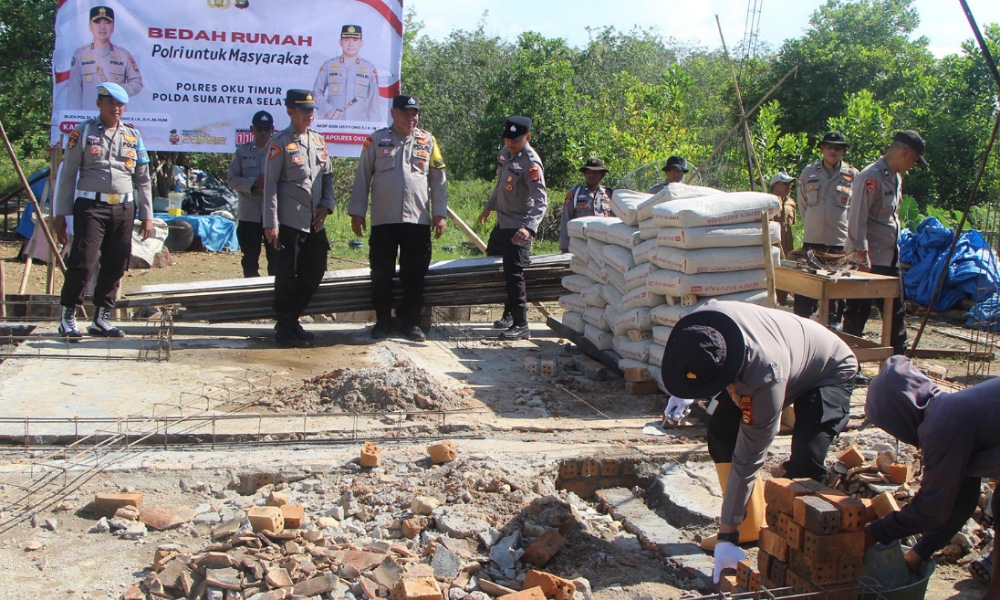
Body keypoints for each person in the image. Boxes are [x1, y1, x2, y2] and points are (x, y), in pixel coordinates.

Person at [660, 299, 858, 583]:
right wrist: (684, 389)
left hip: (828, 369)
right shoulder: (700, 324)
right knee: (720, 434)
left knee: (806, 458)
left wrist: (725, 535)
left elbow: (749, 457)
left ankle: (806, 553)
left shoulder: (764, 377)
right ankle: (749, 527)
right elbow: (696, 355)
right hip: (784, 354)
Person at [863, 355, 999, 600]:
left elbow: (931, 508)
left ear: (897, 413)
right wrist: (919, 553)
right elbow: (963, 501)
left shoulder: (943, 427)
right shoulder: (948, 411)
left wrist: (872, 534)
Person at [54, 82, 154, 339]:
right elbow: (67, 175)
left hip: (123, 207)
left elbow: (143, 179)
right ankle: (68, 316)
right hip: (91, 206)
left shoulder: (133, 136)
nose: (116, 108)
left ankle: (102, 318)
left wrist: (147, 215)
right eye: (110, 102)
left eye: (120, 104)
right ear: (99, 103)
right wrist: (59, 215)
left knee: (116, 262)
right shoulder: (83, 132)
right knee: (84, 261)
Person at [349, 94, 448, 343]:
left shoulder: (428, 141)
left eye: (414, 113)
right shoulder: (376, 140)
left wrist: (440, 214)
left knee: (414, 274)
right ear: (393, 113)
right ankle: (383, 321)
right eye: (405, 113)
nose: (411, 118)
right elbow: (362, 177)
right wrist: (357, 212)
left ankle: (411, 323)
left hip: (417, 220)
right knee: (381, 273)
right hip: (384, 220)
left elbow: (438, 180)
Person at [844, 130, 927, 355]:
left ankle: (898, 363)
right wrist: (860, 256)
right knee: (857, 313)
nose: (912, 165)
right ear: (905, 153)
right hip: (869, 260)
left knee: (896, 314)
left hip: (889, 257)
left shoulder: (896, 177)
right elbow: (857, 217)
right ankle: (849, 364)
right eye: (913, 160)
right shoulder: (871, 176)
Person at [263, 90, 335, 347]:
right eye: (303, 109)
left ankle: (291, 320)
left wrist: (327, 205)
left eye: (311, 109)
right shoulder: (279, 142)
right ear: (290, 111)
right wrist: (270, 223)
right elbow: (270, 185)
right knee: (287, 277)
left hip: (315, 222)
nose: (309, 113)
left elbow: (327, 176)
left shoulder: (318, 140)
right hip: (289, 222)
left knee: (315, 272)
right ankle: (285, 328)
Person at [477, 116, 548, 340]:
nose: (510, 143)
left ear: (528, 137)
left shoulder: (531, 163)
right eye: (508, 139)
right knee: (494, 261)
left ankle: (521, 323)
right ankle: (508, 314)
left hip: (519, 225)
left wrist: (529, 228)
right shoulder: (505, 152)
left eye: (515, 140)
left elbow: (541, 201)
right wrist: (489, 207)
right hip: (502, 222)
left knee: (514, 273)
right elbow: (500, 185)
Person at [793, 131, 858, 329]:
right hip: (813, 240)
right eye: (829, 147)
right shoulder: (809, 172)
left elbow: (855, 207)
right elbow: (803, 203)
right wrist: (814, 223)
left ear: (843, 151)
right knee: (806, 285)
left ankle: (833, 325)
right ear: (822, 148)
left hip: (838, 242)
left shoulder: (852, 174)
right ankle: (802, 324)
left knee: (836, 290)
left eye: (837, 148)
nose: (833, 151)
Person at [227, 110, 276, 278]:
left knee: (276, 258)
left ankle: (275, 295)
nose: (264, 133)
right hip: (249, 214)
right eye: (260, 128)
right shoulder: (242, 152)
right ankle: (252, 293)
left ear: (272, 130)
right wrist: (253, 183)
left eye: (267, 129)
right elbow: (232, 179)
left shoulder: (280, 152)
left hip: (274, 214)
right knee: (249, 258)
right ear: (252, 130)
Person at [66, 6, 143, 110]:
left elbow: (137, 83)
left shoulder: (123, 55)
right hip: (89, 118)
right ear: (90, 26)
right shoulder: (80, 54)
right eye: (97, 22)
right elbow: (74, 92)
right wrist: (74, 118)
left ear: (113, 26)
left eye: (107, 22)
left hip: (116, 117)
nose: (102, 27)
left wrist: (117, 90)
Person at [312, 25, 384, 121]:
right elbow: (316, 93)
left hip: (359, 126)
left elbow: (374, 102)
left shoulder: (369, 68)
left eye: (355, 40)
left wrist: (374, 128)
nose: (350, 44)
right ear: (340, 42)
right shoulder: (328, 66)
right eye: (346, 40)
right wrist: (328, 110)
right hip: (332, 124)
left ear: (361, 43)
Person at [558, 157, 612, 253]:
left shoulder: (609, 194)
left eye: (595, 172)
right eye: (588, 172)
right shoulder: (575, 193)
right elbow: (565, 219)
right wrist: (565, 247)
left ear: (602, 175)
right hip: (581, 246)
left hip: (603, 245)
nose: (591, 175)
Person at [769, 171, 796, 306]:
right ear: (775, 185)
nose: (788, 187)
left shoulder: (791, 203)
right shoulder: (768, 202)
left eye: (790, 184)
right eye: (784, 184)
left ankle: (783, 301)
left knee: (785, 275)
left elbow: (791, 226)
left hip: (787, 247)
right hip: (773, 246)